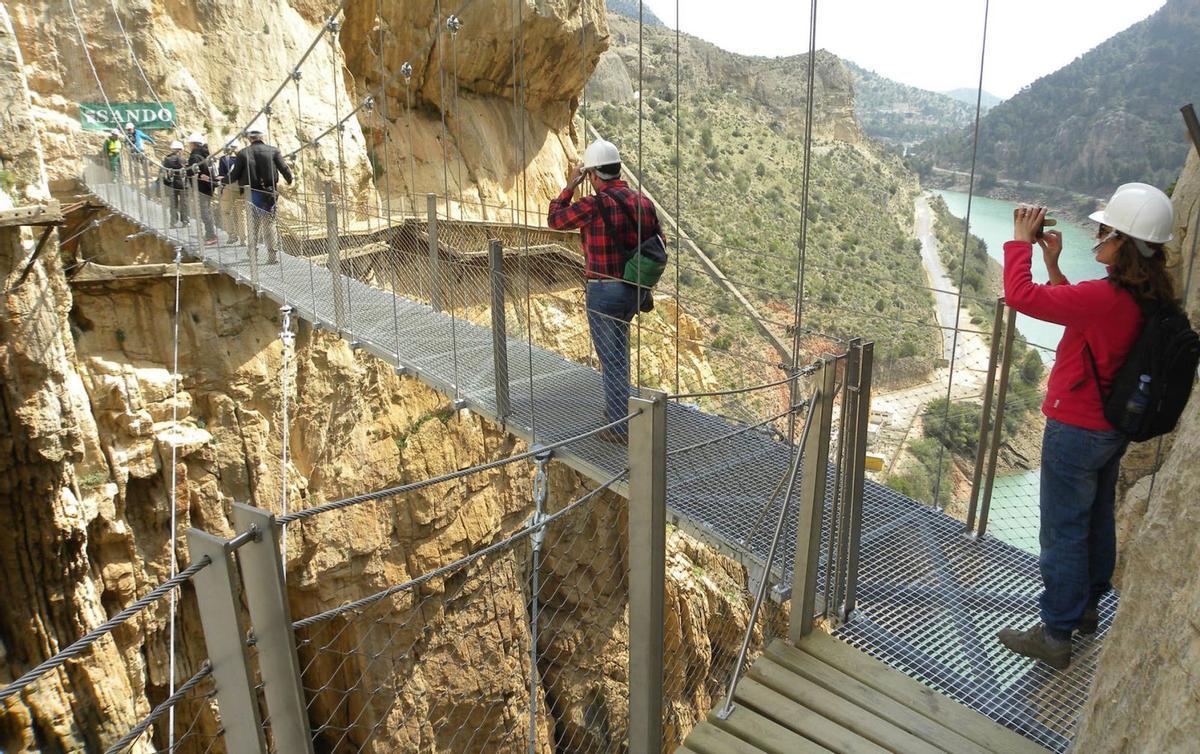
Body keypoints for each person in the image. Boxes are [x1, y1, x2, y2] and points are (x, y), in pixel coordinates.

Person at [997, 183, 1176, 670]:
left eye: (1103, 231)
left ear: (1121, 241)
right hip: (1111, 429)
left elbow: (1020, 296)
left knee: (1063, 532)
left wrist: (1019, 242)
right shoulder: (1146, 297)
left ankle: (1055, 633)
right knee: (1095, 521)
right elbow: (1074, 309)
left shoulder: (1106, 297)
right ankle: (1088, 610)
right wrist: (1054, 263)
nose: (1096, 237)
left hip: (1075, 428)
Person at [548, 138, 661, 443]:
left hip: (603, 290)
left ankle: (620, 427)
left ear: (594, 175)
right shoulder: (644, 202)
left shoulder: (592, 204)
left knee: (611, 359)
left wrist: (571, 186)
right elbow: (657, 243)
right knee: (620, 354)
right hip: (634, 290)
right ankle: (620, 414)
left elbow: (555, 220)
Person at [227, 122, 293, 264]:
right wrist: (289, 180)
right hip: (270, 193)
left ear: (250, 138)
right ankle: (272, 256)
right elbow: (284, 169)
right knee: (269, 224)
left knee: (253, 225)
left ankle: (252, 254)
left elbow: (234, 175)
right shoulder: (273, 151)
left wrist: (221, 181)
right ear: (262, 136)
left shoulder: (243, 153)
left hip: (252, 193)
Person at [185, 132, 218, 245]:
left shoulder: (194, 156)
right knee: (207, 211)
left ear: (194, 144)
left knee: (204, 212)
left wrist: (186, 170)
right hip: (209, 187)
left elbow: (192, 171)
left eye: (190, 144)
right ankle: (210, 233)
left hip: (200, 188)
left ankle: (211, 235)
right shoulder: (206, 155)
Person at [216, 144, 241, 243]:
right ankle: (245, 239)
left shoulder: (223, 159)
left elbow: (222, 175)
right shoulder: (243, 158)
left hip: (229, 188)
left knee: (226, 212)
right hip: (244, 188)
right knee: (242, 213)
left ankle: (232, 235)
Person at [161, 140, 189, 227]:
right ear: (179, 150)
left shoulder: (167, 159)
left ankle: (173, 222)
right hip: (182, 184)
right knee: (184, 203)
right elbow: (187, 170)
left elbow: (163, 171)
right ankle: (185, 221)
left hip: (171, 184)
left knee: (173, 204)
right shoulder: (182, 159)